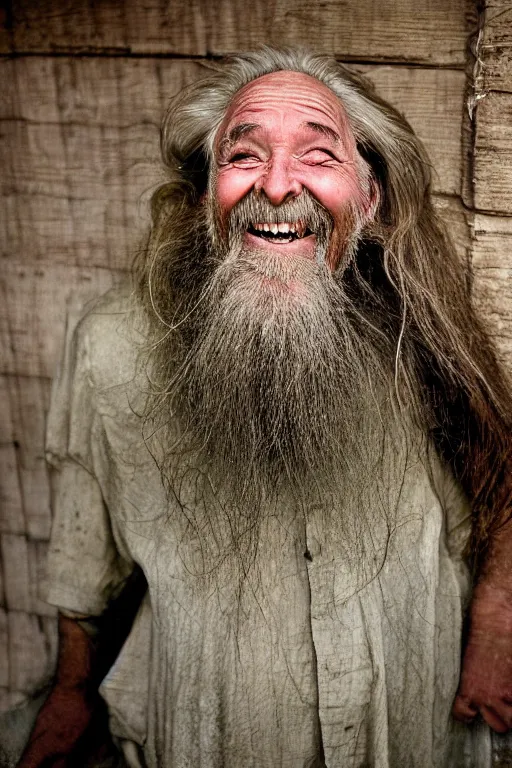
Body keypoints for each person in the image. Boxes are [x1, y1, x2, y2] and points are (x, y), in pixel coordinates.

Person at [17, 47, 512, 768]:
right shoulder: (114, 345)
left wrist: (496, 625)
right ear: (205, 193)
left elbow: (503, 471)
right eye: (244, 156)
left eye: (318, 155)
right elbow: (85, 551)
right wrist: (70, 690)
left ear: (369, 199)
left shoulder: (417, 327)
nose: (278, 186)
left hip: (414, 722)